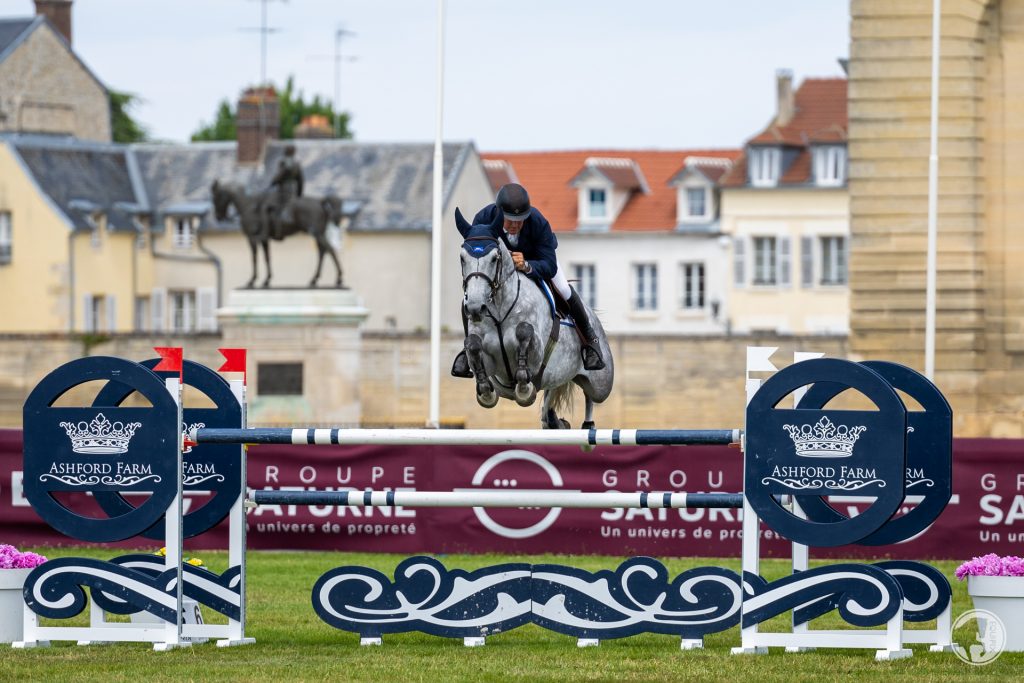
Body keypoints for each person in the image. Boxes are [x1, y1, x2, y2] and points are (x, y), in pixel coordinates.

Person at [452, 183, 605, 377]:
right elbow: (477, 256)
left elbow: (549, 264)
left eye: (520, 220)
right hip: (498, 272)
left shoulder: (538, 222)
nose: (515, 225)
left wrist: (527, 266)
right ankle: (468, 352)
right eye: (510, 220)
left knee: (564, 289)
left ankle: (590, 342)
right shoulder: (483, 218)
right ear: (499, 215)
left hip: (536, 263)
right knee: (469, 299)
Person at [266, 144, 304, 238]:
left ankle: (277, 231)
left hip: (283, 190)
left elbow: (280, 175)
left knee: (272, 207)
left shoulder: (283, 162)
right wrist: (299, 194)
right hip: (293, 189)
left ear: (286, 152)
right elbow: (301, 180)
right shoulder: (296, 164)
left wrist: (273, 182)